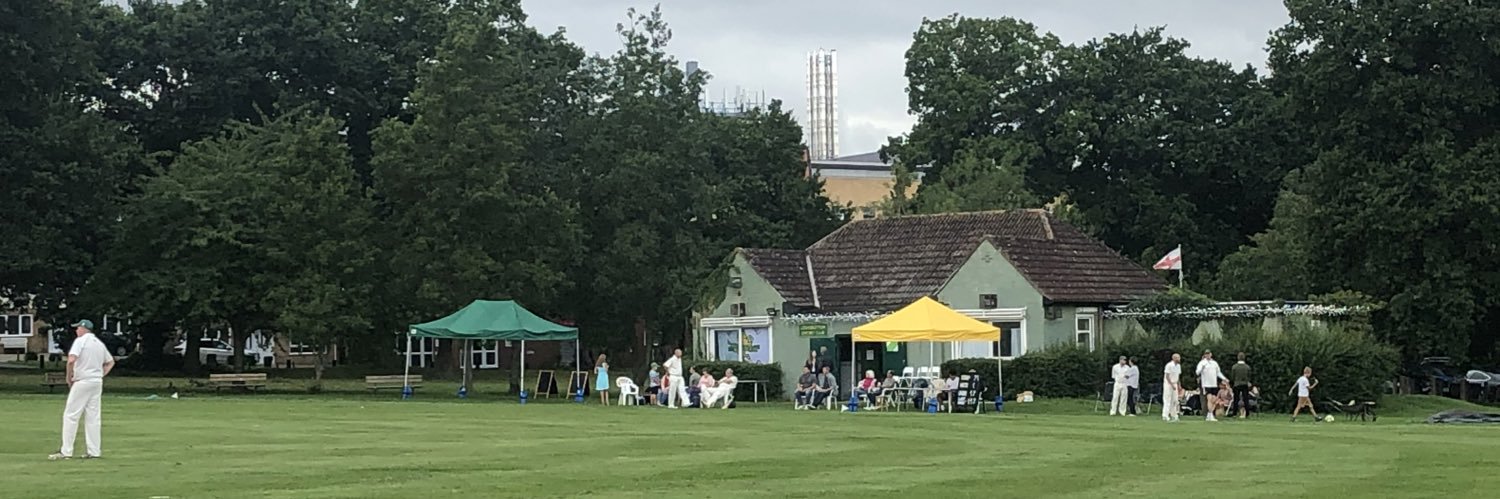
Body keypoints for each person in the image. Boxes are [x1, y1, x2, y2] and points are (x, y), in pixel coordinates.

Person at [50, 319, 114, 460]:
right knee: (93, 416)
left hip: (83, 381)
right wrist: (100, 374)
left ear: (84, 328)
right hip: (96, 382)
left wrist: (69, 377)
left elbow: (71, 360)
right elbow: (110, 362)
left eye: (78, 328)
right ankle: (94, 451)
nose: (76, 330)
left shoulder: (80, 341)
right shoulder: (99, 344)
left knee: (71, 415)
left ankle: (66, 451)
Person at [1195, 350, 1228, 422]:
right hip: (1206, 384)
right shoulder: (1202, 363)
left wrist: (1224, 378)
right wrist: (1202, 368)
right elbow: (1197, 372)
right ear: (1204, 355)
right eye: (1206, 354)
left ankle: (1209, 414)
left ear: (1211, 354)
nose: (1207, 355)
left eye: (1209, 354)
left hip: (1214, 384)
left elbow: (1218, 372)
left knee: (1214, 400)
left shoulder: (1214, 363)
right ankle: (1210, 415)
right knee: (1209, 399)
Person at [1230, 352, 1252, 418]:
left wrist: (1234, 381)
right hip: (1245, 384)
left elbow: (1232, 376)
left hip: (1237, 384)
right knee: (1246, 399)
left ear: (1238, 358)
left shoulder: (1234, 367)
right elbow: (1249, 376)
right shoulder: (1247, 367)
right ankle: (1247, 413)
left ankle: (1234, 413)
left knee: (1236, 399)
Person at [1162, 353, 1183, 422]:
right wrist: (1171, 385)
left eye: (1179, 357)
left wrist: (1179, 385)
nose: (1179, 359)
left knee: (1175, 400)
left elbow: (1178, 376)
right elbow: (1167, 376)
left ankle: (1174, 415)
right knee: (1167, 399)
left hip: (1175, 383)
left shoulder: (1178, 366)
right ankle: (1165, 415)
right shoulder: (1169, 365)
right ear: (1173, 358)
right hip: (1168, 384)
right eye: (1177, 358)